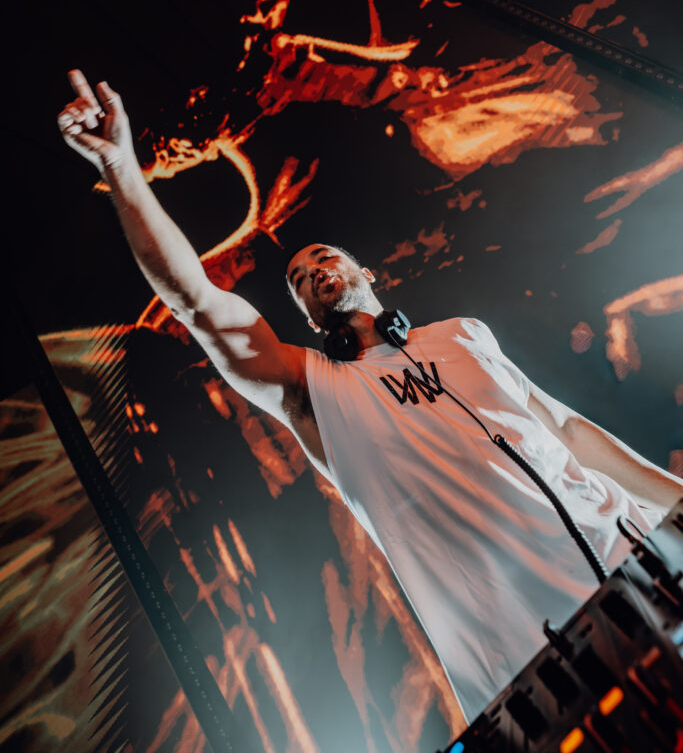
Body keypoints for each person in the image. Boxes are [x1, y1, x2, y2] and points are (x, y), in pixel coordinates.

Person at [58, 69, 683, 723]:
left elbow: (569, 431)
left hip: (636, 554)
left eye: (323, 258)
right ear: (307, 317)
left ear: (365, 271)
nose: (313, 272)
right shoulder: (311, 390)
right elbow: (196, 302)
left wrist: (674, 503)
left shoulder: (464, 334)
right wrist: (121, 168)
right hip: (538, 647)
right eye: (299, 279)